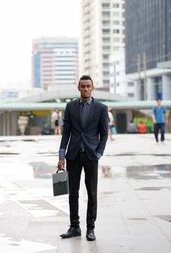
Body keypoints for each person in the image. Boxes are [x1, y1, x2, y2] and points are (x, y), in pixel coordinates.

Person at [58, 75, 108, 241]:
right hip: (73, 155)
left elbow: (104, 134)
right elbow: (66, 132)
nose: (85, 89)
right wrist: (61, 155)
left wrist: (99, 153)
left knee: (92, 193)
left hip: (91, 155)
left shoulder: (101, 108)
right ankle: (74, 227)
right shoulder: (71, 106)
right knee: (73, 192)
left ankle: (90, 229)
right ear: (78, 88)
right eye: (83, 86)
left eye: (88, 86)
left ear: (92, 88)